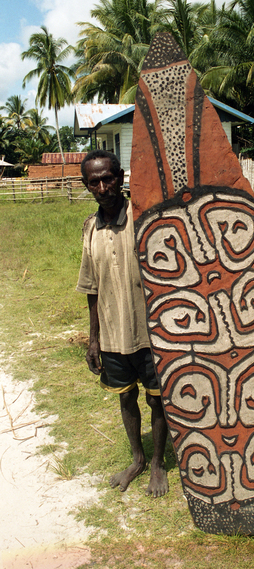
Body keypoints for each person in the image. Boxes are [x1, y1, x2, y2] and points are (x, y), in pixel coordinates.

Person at [76, 149, 168, 498]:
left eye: (108, 178)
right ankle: (137, 459)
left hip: (151, 332)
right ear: (87, 186)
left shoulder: (144, 216)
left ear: (121, 177)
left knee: (157, 399)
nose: (102, 187)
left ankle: (158, 462)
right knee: (125, 399)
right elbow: (91, 287)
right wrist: (93, 339)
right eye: (94, 182)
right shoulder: (89, 228)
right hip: (113, 335)